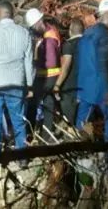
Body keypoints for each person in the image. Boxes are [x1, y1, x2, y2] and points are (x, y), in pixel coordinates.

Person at [0, 1, 34, 156]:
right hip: (16, 84)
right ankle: (22, 158)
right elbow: (28, 63)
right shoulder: (24, 33)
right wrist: (29, 86)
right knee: (18, 121)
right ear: (12, 13)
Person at [75, 0, 108, 160]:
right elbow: (103, 66)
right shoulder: (105, 36)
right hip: (101, 87)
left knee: (82, 119)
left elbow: (82, 61)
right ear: (107, 14)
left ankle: (79, 151)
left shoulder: (88, 32)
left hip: (85, 85)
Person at [25, 8, 61, 141]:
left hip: (47, 76)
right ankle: (46, 134)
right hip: (46, 75)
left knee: (34, 103)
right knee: (48, 103)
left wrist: (34, 62)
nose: (33, 29)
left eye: (34, 26)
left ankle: (30, 133)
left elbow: (50, 62)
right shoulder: (47, 33)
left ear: (39, 22)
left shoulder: (49, 38)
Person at [53, 18, 85, 125]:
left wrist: (57, 85)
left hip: (70, 87)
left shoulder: (68, 45)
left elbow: (66, 67)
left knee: (69, 119)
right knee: (83, 120)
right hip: (86, 87)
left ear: (70, 31)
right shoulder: (89, 43)